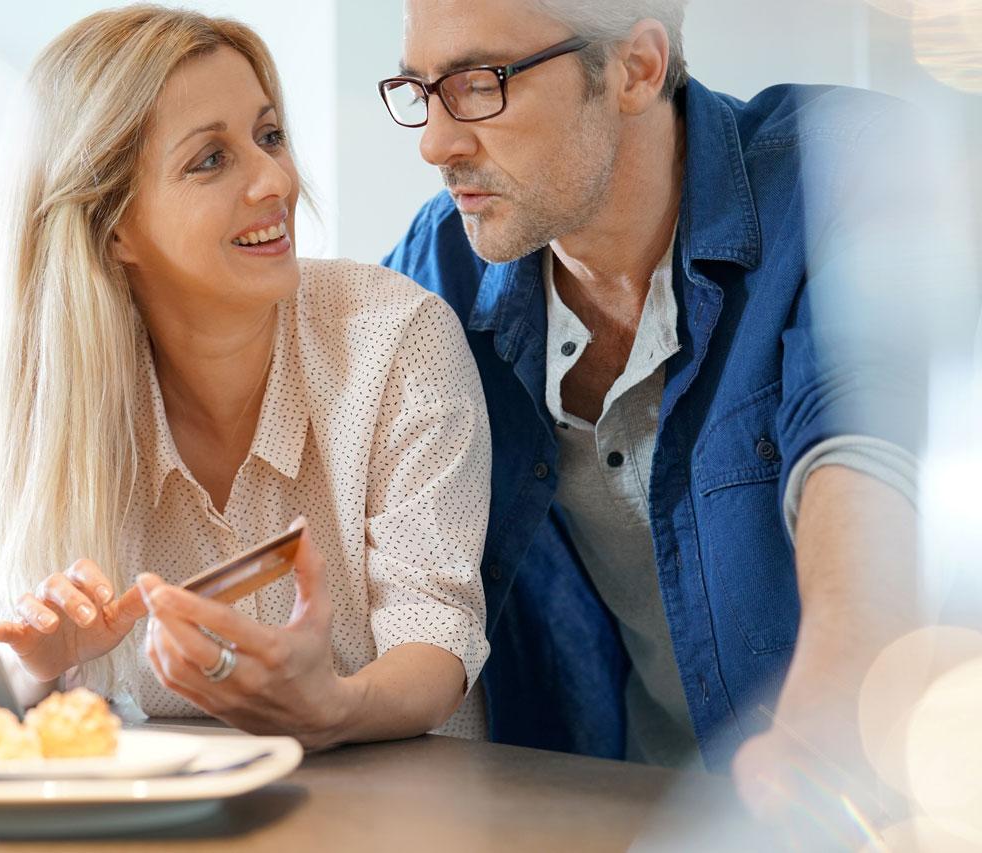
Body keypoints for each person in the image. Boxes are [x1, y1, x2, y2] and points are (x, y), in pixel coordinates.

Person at [380, 0, 942, 821]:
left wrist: (826, 719)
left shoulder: (843, 168)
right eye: (419, 90)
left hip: (877, 806)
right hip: (613, 810)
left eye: (478, 84)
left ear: (636, 68)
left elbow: (858, 441)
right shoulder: (443, 263)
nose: (435, 142)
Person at [0, 4, 491, 749]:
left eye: (269, 135)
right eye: (211, 159)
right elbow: (12, 704)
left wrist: (330, 705)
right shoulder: (66, 410)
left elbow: (437, 638)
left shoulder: (397, 339)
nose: (276, 178)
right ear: (114, 230)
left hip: (402, 809)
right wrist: (37, 671)